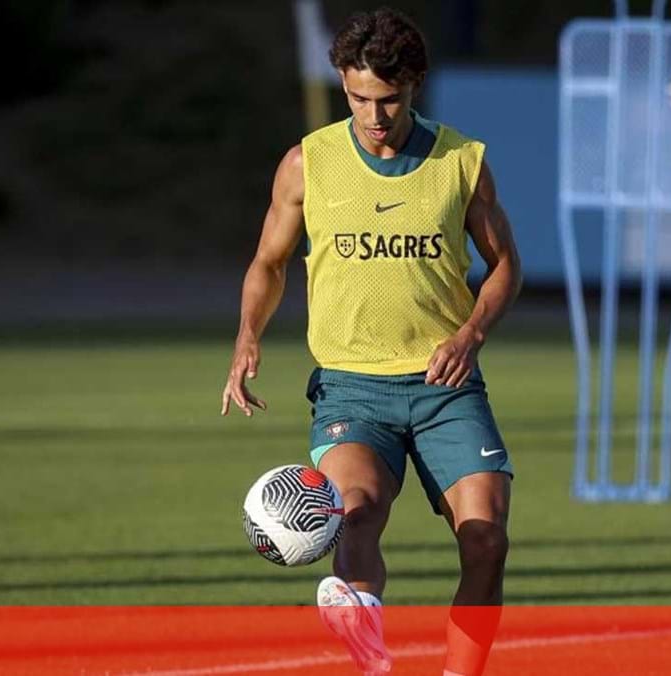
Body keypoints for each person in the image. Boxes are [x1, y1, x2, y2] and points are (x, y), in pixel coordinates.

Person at [221, 7, 521, 675]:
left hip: (446, 389)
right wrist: (247, 337)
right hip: (351, 388)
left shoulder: (460, 161)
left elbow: (506, 264)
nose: (374, 113)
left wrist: (471, 332)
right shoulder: (309, 163)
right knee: (354, 512)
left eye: (388, 98)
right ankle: (367, 638)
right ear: (342, 84)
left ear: (414, 84)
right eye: (359, 97)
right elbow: (269, 262)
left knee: (487, 542)